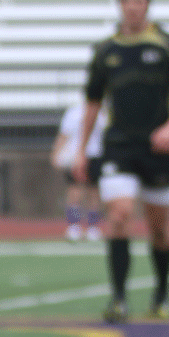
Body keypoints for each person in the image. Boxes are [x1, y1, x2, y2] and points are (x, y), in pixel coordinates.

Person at [73, 0, 169, 323]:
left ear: (147, 5)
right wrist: (81, 150)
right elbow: (93, 103)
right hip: (119, 147)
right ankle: (119, 299)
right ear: (120, 5)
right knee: (120, 215)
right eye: (128, 1)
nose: (133, 7)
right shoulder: (106, 50)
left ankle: (161, 293)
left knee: (159, 228)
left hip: (158, 150)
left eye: (139, 1)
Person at [51, 101, 107, 242]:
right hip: (75, 156)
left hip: (96, 154)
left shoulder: (103, 113)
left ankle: (93, 226)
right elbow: (64, 134)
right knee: (74, 190)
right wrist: (56, 153)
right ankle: (74, 225)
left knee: (93, 191)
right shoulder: (73, 113)